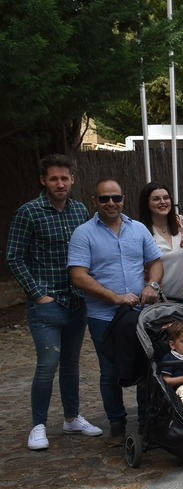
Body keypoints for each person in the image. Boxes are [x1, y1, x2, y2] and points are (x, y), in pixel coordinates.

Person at [7, 154, 102, 450]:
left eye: (64, 178)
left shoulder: (79, 211)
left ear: (72, 179)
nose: (59, 184)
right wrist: (37, 293)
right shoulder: (29, 212)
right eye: (53, 179)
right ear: (43, 181)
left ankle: (71, 418)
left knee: (72, 364)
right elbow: (13, 256)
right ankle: (38, 425)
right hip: (47, 303)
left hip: (76, 301)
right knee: (47, 364)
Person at [68, 178, 163, 446]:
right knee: (110, 371)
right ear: (94, 201)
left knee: (147, 366)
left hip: (139, 314)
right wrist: (115, 297)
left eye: (116, 198)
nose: (111, 203)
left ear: (123, 199)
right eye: (104, 199)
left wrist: (152, 285)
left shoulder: (139, 229)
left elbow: (155, 261)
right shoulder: (83, 233)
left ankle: (147, 422)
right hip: (103, 316)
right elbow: (78, 276)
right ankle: (117, 424)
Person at [138, 181, 183, 306]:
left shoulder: (182, 223)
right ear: (146, 203)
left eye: (166, 198)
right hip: (156, 302)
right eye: (156, 199)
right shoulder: (140, 230)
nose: (162, 202)